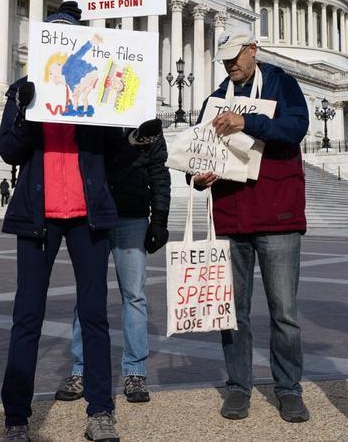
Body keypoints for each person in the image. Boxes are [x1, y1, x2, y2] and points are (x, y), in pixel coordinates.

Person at [0, 1, 140, 442]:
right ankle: (17, 417)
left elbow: (116, 157)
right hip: (38, 215)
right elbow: (8, 150)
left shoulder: (95, 88)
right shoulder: (24, 89)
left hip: (87, 216)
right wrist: (24, 112)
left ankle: (100, 411)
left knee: (95, 315)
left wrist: (130, 127)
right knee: (28, 316)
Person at [191, 31, 311, 424]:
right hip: (230, 215)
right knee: (233, 312)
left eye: (235, 57)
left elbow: (295, 129)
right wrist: (198, 176)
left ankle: (289, 388)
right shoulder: (214, 99)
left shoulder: (281, 83)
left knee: (285, 312)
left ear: (252, 50)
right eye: (224, 59)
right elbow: (197, 153)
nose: (230, 65)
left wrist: (247, 120)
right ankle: (238, 386)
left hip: (277, 213)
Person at [56, 118, 170, 404]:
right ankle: (81, 369)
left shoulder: (146, 118)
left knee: (134, 295)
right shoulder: (96, 117)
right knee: (88, 292)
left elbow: (159, 172)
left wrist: (159, 220)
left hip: (132, 215)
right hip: (93, 213)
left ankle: (135, 371)